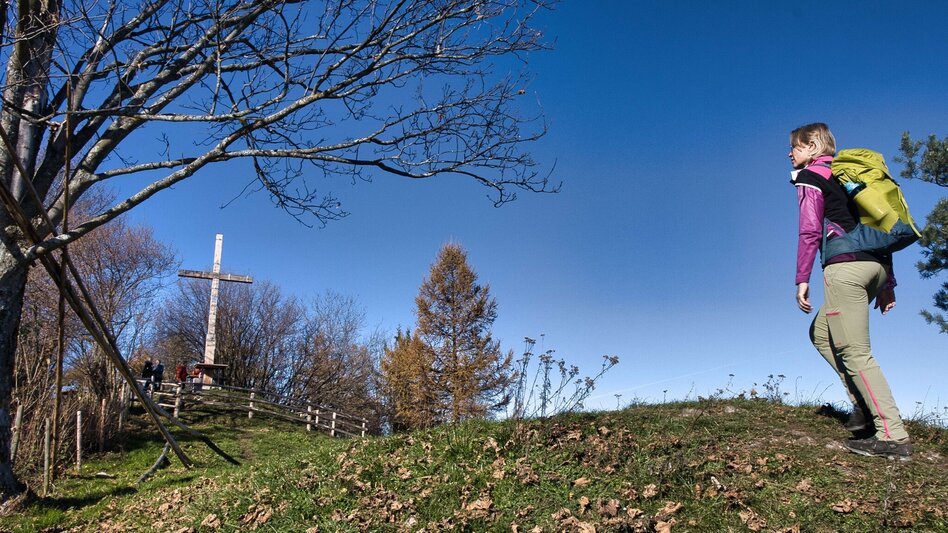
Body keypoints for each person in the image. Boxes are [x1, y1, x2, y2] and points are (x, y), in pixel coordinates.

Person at [789, 122, 911, 460]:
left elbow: (809, 230)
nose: (790, 153)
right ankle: (863, 406)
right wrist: (887, 282)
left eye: (795, 146)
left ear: (812, 146)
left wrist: (802, 277)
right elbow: (878, 224)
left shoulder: (811, 176)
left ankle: (892, 435)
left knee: (855, 352)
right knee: (821, 332)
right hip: (874, 266)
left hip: (845, 268)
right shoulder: (849, 175)